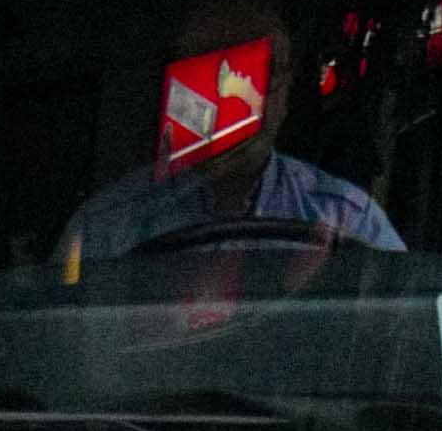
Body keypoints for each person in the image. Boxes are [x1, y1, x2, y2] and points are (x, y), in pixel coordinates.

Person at [58, 20, 402, 276]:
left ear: (285, 95)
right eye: (213, 75)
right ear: (177, 89)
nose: (239, 100)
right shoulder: (102, 232)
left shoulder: (351, 223)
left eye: (264, 74)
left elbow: (404, 345)